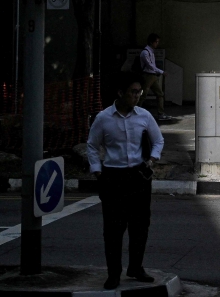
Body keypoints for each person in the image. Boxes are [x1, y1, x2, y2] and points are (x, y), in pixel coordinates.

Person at [87, 72, 165, 290]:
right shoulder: (103, 118)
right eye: (132, 92)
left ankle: (136, 267)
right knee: (113, 229)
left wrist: (151, 160)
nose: (136, 97)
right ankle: (113, 274)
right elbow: (92, 146)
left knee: (140, 226)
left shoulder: (144, 116)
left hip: (138, 176)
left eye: (139, 92)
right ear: (120, 93)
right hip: (113, 177)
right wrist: (98, 172)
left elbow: (158, 140)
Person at [140, 33, 167, 121]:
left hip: (152, 76)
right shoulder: (145, 52)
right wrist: (161, 72)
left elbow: (152, 66)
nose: (157, 43)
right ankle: (134, 112)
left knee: (160, 94)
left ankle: (161, 113)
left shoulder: (150, 52)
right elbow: (150, 65)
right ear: (151, 42)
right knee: (143, 95)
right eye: (156, 42)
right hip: (147, 76)